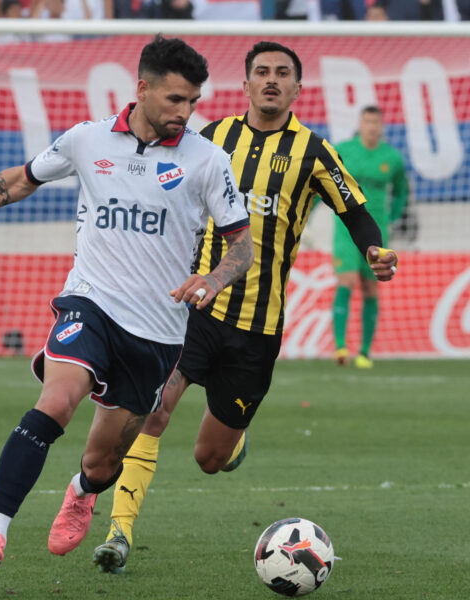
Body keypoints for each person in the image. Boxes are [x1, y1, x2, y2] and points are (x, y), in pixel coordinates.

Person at [0, 34, 254, 581]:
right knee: (57, 404)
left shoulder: (208, 160)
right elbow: (18, 181)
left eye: (192, 102)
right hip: (89, 304)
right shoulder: (87, 140)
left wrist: (213, 278)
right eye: (174, 100)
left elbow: (244, 244)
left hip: (158, 333)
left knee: (102, 463)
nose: (184, 113)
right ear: (141, 88)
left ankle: (81, 491)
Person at [50, 41, 399, 575]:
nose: (271, 80)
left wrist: (373, 249)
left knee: (209, 459)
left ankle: (233, 445)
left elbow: (354, 211)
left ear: (297, 89)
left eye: (283, 73)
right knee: (154, 410)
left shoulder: (314, 152)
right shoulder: (211, 139)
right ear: (245, 84)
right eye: (261, 72)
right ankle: (119, 532)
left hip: (258, 328)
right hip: (193, 309)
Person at [332, 106, 408, 368]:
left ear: (382, 126)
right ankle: (341, 347)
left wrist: (396, 217)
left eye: (376, 122)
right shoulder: (344, 150)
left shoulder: (392, 158)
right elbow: (324, 186)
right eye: (367, 121)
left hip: (377, 230)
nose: (372, 127)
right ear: (360, 124)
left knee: (370, 287)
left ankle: (364, 351)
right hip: (345, 228)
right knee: (347, 280)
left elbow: (401, 191)